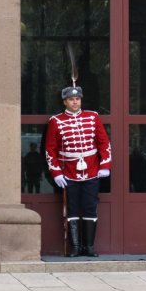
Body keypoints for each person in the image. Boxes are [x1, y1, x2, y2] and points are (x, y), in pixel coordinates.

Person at [45, 86, 112, 257]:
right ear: (65, 101)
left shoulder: (93, 117)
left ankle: (88, 247)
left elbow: (103, 143)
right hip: (68, 172)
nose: (75, 102)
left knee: (90, 208)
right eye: (71, 99)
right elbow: (50, 149)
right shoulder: (56, 121)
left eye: (78, 99)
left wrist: (105, 165)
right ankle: (75, 247)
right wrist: (56, 172)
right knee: (72, 208)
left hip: (91, 170)